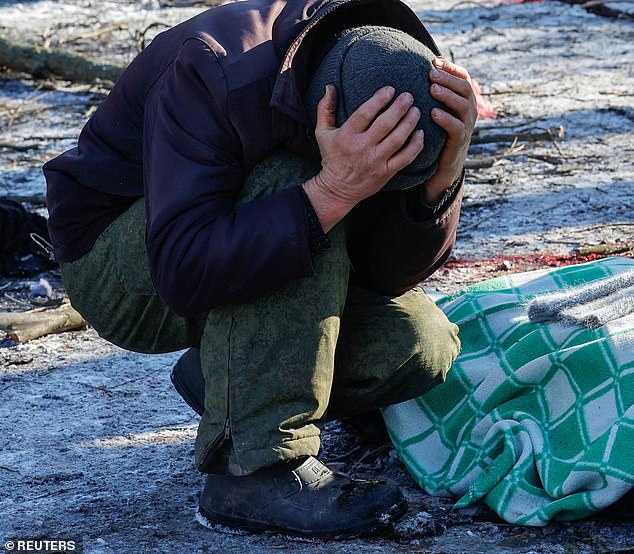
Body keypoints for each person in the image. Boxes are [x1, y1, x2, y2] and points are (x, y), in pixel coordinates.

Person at [43, 0, 477, 538]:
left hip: (228, 254)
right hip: (118, 259)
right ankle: (254, 470)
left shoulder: (396, 71)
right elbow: (182, 269)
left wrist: (445, 174)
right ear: (327, 109)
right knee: (289, 182)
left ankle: (231, 384)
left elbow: (387, 275)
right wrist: (333, 190)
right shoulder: (214, 69)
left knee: (420, 343)